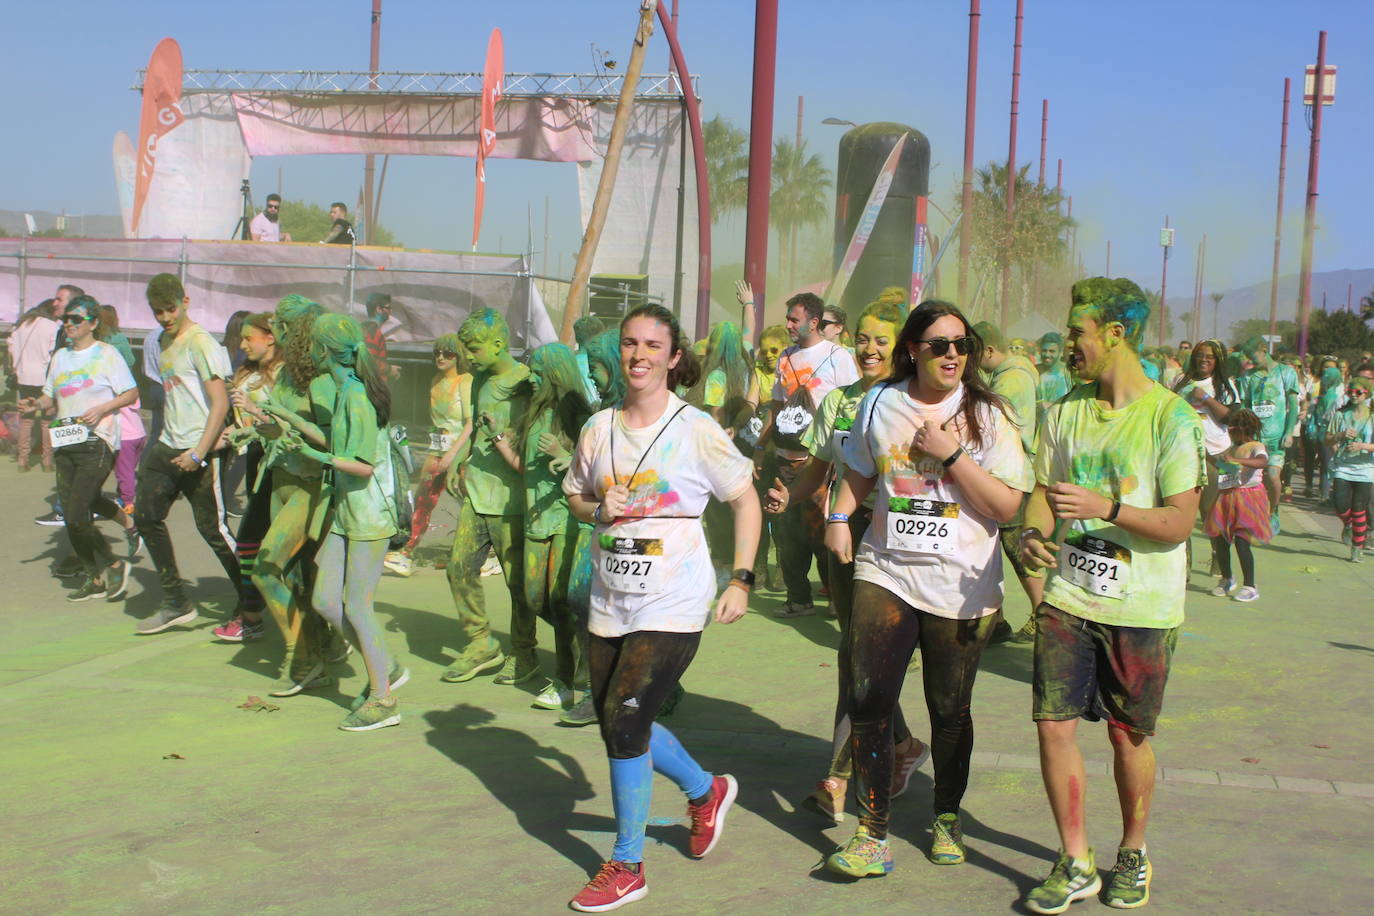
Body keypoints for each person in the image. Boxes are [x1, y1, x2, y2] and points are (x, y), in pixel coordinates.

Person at [821, 300, 1031, 878]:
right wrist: (840, 518)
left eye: (962, 344)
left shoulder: (988, 416)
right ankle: (872, 832)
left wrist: (953, 454)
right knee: (868, 696)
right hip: (887, 567)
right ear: (912, 348)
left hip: (960, 585)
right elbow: (861, 469)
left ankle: (946, 815)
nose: (953, 355)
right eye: (939, 344)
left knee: (949, 710)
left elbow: (1007, 505)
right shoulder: (879, 403)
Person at [561, 304, 759, 913]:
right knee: (619, 720)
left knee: (624, 720)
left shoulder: (695, 428)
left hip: (675, 599)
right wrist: (600, 508)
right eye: (629, 344)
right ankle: (706, 790)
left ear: (674, 358)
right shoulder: (598, 429)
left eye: (653, 345)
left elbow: (745, 502)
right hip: (610, 598)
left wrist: (742, 580)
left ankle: (626, 864)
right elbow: (574, 495)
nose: (639, 355)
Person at [1019, 278, 1204, 913]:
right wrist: (1031, 535)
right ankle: (1074, 860)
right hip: (1070, 598)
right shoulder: (1066, 409)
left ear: (1115, 335)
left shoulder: (1170, 418)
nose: (1068, 343)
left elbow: (1179, 522)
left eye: (1078, 332)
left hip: (1143, 610)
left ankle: (1132, 852)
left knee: (1127, 736)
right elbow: (1044, 492)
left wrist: (1108, 507)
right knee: (1053, 725)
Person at [763, 299, 929, 825]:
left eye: (882, 339)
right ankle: (901, 744)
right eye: (863, 337)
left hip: (895, 544)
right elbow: (819, 467)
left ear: (902, 345)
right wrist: (790, 497)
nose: (870, 348)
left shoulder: (911, 401)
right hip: (842, 538)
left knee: (856, 657)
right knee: (857, 656)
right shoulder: (836, 402)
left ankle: (837, 779)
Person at [281, 313, 409, 730]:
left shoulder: (356, 396)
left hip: (370, 515)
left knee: (357, 605)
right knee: (324, 600)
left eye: (312, 344)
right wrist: (288, 422)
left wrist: (315, 459)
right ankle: (384, 665)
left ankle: (383, 698)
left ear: (323, 351)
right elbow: (337, 442)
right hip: (347, 514)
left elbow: (362, 465)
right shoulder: (344, 392)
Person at [133, 274, 244, 635]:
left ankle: (254, 601)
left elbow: (219, 403)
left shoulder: (202, 343)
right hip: (167, 443)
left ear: (185, 301)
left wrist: (199, 453)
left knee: (212, 529)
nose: (165, 317)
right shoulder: (161, 341)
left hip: (202, 447)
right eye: (157, 311)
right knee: (146, 516)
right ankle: (176, 602)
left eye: (170, 308)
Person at [489, 343, 594, 712]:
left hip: (565, 521)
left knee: (561, 602)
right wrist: (499, 438)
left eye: (537, 371)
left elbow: (594, 469)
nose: (531, 376)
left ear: (554, 373)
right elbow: (524, 468)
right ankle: (579, 658)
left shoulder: (576, 412)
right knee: (535, 599)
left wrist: (564, 458)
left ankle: (568, 679)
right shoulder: (533, 413)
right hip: (535, 521)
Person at [19, 295, 138, 601]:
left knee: (74, 512)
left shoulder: (107, 354)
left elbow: (130, 392)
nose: (68, 324)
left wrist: (102, 408)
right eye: (66, 319)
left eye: (76, 319)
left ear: (93, 323)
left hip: (97, 439)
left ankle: (112, 564)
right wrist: (36, 404)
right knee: (81, 509)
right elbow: (50, 397)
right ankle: (94, 577)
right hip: (65, 439)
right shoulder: (60, 356)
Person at [440, 308, 536, 685]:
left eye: (476, 349)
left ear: (498, 344)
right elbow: (476, 426)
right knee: (458, 567)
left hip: (509, 502)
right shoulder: (479, 379)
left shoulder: (526, 383)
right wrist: (458, 460)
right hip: (476, 496)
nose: (470, 357)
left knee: (518, 584)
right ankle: (480, 642)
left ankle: (525, 653)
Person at [252, 296, 338, 696]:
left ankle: (304, 658)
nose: (276, 333)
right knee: (297, 576)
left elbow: (331, 440)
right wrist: (263, 425)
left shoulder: (322, 379)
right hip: (280, 481)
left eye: (282, 326)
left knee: (265, 569)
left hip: (310, 486)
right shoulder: (285, 374)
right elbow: (280, 428)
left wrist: (288, 422)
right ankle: (319, 648)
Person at [758, 292, 860, 615]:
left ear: (814, 323)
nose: (787, 324)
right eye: (788, 318)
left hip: (819, 462)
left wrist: (841, 454)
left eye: (794, 320)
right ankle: (798, 598)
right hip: (784, 459)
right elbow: (776, 405)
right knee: (787, 536)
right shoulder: (785, 357)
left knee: (821, 532)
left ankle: (835, 596)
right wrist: (762, 447)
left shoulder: (837, 357)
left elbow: (852, 404)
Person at [211, 313, 283, 642]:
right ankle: (253, 614)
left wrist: (254, 413)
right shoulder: (246, 373)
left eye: (248, 338)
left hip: (282, 467)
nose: (241, 345)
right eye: (240, 339)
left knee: (254, 544)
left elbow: (288, 424)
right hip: (256, 463)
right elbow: (241, 427)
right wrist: (206, 447)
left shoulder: (285, 375)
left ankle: (252, 615)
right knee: (256, 544)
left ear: (270, 337)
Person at [973, 321, 1043, 644]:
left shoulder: (1012, 379)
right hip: (1004, 477)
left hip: (1011, 478)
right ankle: (995, 622)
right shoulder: (1013, 374)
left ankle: (1043, 618)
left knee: (1020, 555)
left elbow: (995, 423)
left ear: (988, 350)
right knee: (989, 553)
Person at [384, 334, 473, 577]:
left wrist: (453, 456)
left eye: (448, 353)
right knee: (423, 499)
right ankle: (406, 553)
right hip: (437, 450)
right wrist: (434, 452)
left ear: (458, 356)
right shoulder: (434, 381)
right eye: (437, 353)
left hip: (461, 454)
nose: (441, 357)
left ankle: (475, 555)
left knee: (469, 505)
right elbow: (437, 423)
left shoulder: (466, 382)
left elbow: (470, 424)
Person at [1174, 339, 1237, 566]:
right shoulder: (1180, 382)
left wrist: (1207, 400)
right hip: (1182, 454)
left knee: (1211, 513)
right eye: (1200, 355)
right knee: (1181, 511)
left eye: (1209, 357)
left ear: (1217, 361)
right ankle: (1183, 563)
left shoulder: (1224, 385)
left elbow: (1231, 417)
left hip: (1214, 456)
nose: (1203, 360)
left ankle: (1218, 558)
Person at [1205, 408, 1270, 601]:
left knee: (1242, 542)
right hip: (1226, 497)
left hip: (1248, 499)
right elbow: (1224, 466)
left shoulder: (1255, 446)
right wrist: (1207, 455)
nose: (1229, 432)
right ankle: (1227, 578)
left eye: (1232, 428)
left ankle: (1250, 585)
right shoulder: (1231, 448)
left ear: (1243, 429)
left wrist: (1236, 460)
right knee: (1220, 540)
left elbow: (1261, 461)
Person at [1238, 337, 1299, 534]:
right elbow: (1245, 406)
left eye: (1252, 355)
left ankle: (1272, 511)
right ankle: (1254, 514)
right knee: (1253, 480)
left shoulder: (1286, 372)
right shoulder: (1249, 377)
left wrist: (1289, 432)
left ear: (1264, 349)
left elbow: (1293, 406)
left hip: (1276, 436)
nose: (1250, 360)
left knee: (1273, 476)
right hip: (1255, 438)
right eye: (1247, 357)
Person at [9, 293, 65, 472]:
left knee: (27, 419)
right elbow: (53, 353)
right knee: (47, 420)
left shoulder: (21, 326)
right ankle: (47, 461)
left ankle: (22, 459)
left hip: (23, 376)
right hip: (44, 378)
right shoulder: (53, 326)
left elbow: (11, 348)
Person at [1327, 377, 1374, 562]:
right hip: (1343, 466)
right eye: (1350, 392)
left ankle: (1357, 548)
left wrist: (1364, 446)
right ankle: (1348, 524)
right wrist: (1340, 435)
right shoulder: (1340, 414)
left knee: (1359, 508)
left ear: (1367, 394)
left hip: (1365, 468)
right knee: (1340, 504)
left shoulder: (1371, 415)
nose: (1354, 395)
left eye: (1358, 392)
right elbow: (1327, 439)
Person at [1303, 365, 1342, 500]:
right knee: (1327, 466)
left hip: (1319, 432)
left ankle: (1322, 493)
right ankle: (1324, 495)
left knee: (1324, 464)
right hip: (1328, 433)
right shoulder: (1333, 396)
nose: (1324, 378)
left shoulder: (1323, 395)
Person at [1036, 331, 1073, 414]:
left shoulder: (1069, 373)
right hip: (1038, 425)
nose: (1047, 355)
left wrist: (1052, 405)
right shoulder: (1034, 371)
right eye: (1044, 350)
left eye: (1052, 351)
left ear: (1060, 352)